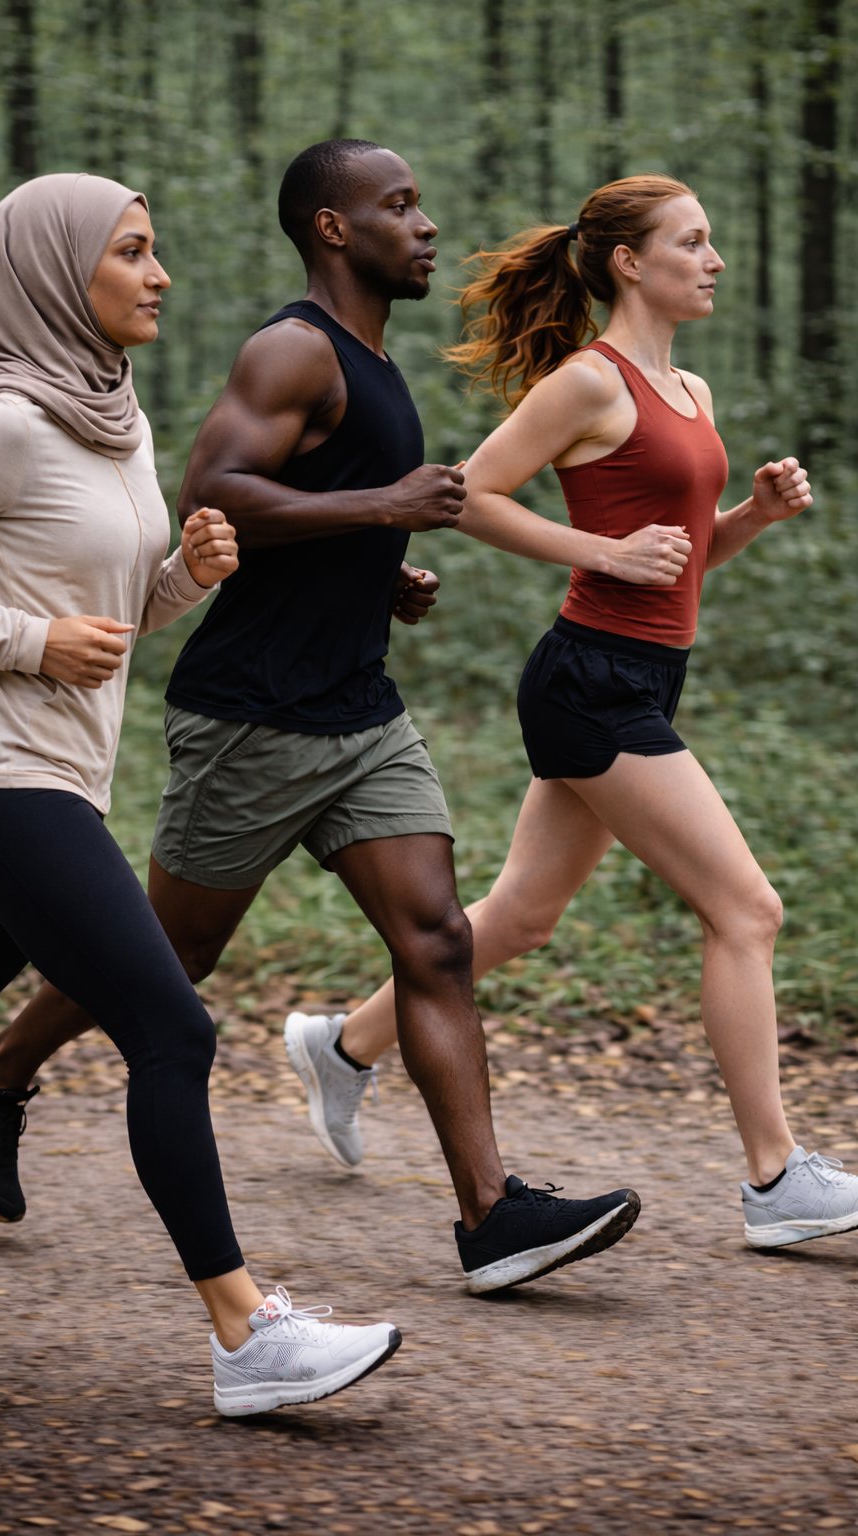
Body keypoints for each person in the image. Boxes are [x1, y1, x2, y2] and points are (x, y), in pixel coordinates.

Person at [0, 141, 641, 1295]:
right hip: (253, 717)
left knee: (437, 939)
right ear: (330, 227)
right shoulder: (292, 349)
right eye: (396, 206)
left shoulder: (371, 357)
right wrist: (387, 506)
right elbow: (212, 495)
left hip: (358, 708)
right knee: (174, 952)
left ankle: (492, 1216)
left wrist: (379, 563)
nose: (422, 225)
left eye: (418, 203)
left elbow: (307, 510)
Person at [0, 172, 403, 1416]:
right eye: (132, 253)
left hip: (55, 779)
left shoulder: (111, 415)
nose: (159, 275)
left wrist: (182, 576)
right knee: (170, 1027)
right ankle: (249, 1336)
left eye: (155, 252)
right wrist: (18, 641)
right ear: (52, 274)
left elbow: (114, 613)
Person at [291, 173, 858, 1253]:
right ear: (628, 263)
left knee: (519, 917)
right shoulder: (588, 383)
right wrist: (597, 550)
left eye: (712, 241)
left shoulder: (686, 389)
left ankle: (342, 1046)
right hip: (589, 685)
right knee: (748, 910)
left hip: (645, 674)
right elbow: (472, 494)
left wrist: (753, 517)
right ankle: (774, 1178)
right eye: (692, 242)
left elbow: (678, 567)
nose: (715, 260)